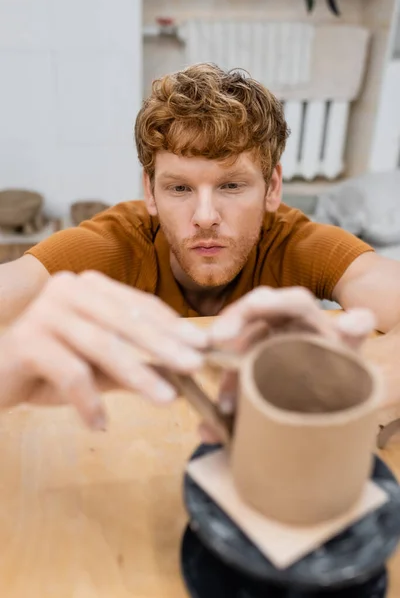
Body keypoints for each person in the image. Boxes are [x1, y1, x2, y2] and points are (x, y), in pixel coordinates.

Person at [0, 63, 400, 434]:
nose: (205, 216)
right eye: (179, 188)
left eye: (231, 186)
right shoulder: (112, 243)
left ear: (273, 188)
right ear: (150, 192)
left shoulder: (296, 242)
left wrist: (357, 382)